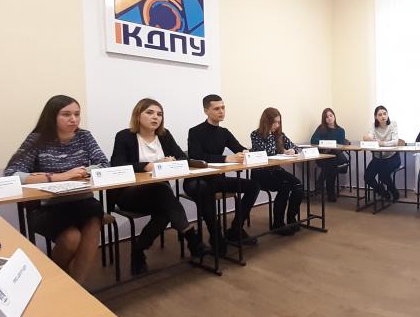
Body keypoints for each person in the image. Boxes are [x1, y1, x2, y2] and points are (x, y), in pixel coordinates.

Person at [4, 95, 108, 283]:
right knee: (71, 239)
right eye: (66, 114)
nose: (73, 119)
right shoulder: (37, 139)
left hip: (82, 201)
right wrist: (60, 176)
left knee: (94, 217)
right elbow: (11, 174)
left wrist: (82, 171)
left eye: (77, 114)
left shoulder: (84, 136)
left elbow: (104, 164)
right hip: (48, 206)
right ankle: (56, 282)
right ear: (52, 116)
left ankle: (76, 286)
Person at [110, 98, 203, 274]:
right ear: (138, 115)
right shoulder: (124, 136)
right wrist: (148, 165)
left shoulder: (164, 135)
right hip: (129, 194)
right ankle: (192, 239)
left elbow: (182, 158)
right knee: (163, 192)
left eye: (159, 114)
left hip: (160, 195)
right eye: (150, 113)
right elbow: (117, 164)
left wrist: (172, 161)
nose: (155, 117)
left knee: (164, 209)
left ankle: (138, 251)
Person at [186, 94, 261, 252]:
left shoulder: (224, 132)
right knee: (205, 190)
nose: (221, 111)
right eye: (216, 109)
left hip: (216, 179)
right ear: (206, 111)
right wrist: (226, 158)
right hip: (197, 181)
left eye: (223, 108)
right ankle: (216, 235)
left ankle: (235, 229)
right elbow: (197, 156)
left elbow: (238, 148)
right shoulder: (195, 131)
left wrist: (247, 153)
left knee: (253, 186)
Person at [250, 107, 304, 235]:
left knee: (298, 185)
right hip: (260, 173)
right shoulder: (255, 134)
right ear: (266, 122)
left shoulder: (280, 135)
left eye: (279, 122)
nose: (277, 125)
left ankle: (291, 218)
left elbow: (296, 147)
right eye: (274, 122)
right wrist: (269, 133)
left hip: (275, 170)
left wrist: (292, 150)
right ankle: (278, 224)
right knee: (284, 186)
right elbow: (265, 153)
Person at [362, 105, 403, 202]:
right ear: (376, 117)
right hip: (378, 158)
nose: (383, 116)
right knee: (367, 177)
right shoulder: (373, 126)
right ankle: (382, 191)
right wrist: (369, 138)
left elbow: (395, 141)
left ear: (388, 115)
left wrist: (381, 143)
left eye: (385, 114)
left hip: (392, 157)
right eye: (380, 115)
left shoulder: (393, 124)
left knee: (383, 175)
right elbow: (369, 137)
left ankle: (394, 191)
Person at [309, 108, 349, 201]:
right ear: (324, 119)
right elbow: (313, 140)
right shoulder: (321, 128)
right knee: (331, 165)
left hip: (336, 155)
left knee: (331, 161)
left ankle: (320, 181)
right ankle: (330, 194)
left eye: (331, 115)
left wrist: (328, 145)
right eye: (326, 117)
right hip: (324, 157)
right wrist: (328, 144)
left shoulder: (340, 130)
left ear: (334, 116)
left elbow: (340, 144)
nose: (329, 118)